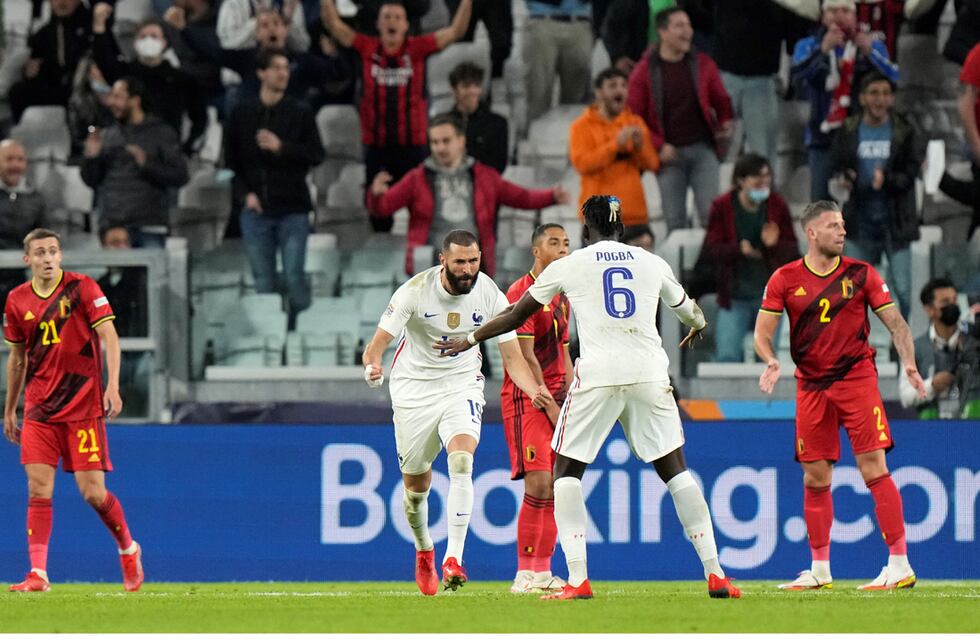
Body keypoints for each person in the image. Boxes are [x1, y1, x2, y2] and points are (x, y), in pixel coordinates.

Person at [436, 195, 741, 601]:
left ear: (585, 230)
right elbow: (688, 310)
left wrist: (469, 338)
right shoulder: (651, 261)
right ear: (623, 228)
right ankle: (716, 573)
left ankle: (578, 578)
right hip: (649, 373)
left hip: (598, 375)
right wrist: (697, 324)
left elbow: (514, 315)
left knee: (565, 473)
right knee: (676, 471)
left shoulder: (570, 265)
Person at [361, 229, 557, 596]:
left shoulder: (489, 293)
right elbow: (377, 345)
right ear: (443, 261)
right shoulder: (414, 292)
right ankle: (424, 550)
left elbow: (512, 357)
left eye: (474, 261)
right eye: (460, 263)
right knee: (416, 490)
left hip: (462, 385)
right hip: (414, 391)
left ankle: (454, 558)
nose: (468, 270)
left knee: (463, 461)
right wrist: (372, 366)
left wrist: (536, 393)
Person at [754, 200, 926, 591]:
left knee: (873, 466)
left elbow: (897, 324)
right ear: (811, 233)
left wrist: (910, 364)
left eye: (843, 225)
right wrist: (770, 360)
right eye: (833, 226)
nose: (842, 231)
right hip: (811, 385)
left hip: (856, 378)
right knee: (815, 475)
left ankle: (899, 563)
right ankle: (820, 569)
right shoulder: (784, 278)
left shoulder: (862, 274)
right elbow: (762, 334)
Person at [3, 228, 143, 593]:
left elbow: (109, 336)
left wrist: (112, 385)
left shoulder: (82, 288)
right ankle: (38, 574)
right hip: (39, 409)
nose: (47, 258)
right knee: (38, 487)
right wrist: (9, 408)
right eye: (40, 253)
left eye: (53, 251)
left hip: (82, 406)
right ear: (27, 260)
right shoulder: (17, 301)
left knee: (93, 493)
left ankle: (128, 548)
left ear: (61, 255)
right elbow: (17, 359)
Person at [320, 0, 473, 231]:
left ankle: (422, 263)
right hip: (377, 149)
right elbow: (333, 24)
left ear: (406, 25)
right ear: (378, 24)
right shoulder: (366, 47)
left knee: (422, 213)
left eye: (397, 17)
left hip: (413, 149)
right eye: (387, 17)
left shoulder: (418, 48)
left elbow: (456, 31)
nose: (392, 21)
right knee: (378, 215)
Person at [367, 113, 568, 277]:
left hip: (474, 266)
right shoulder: (417, 177)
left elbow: (520, 197)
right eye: (435, 142)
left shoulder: (484, 175)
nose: (440, 148)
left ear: (461, 141)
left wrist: (551, 196)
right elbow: (383, 208)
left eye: (446, 141)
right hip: (430, 266)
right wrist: (375, 196)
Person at [225, 48, 325, 323]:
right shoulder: (241, 113)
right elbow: (230, 163)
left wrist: (282, 147)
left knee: (294, 277)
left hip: (293, 208)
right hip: (256, 212)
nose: (284, 73)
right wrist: (245, 195)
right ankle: (271, 335)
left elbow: (316, 155)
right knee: (263, 281)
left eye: (286, 67)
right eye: (277, 67)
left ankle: (300, 335)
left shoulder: (300, 111)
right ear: (261, 73)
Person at [502, 224, 574, 594]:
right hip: (528, 398)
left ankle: (542, 572)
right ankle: (524, 573)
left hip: (559, 398)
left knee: (558, 488)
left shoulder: (562, 295)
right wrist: (548, 403)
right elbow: (526, 358)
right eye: (553, 242)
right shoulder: (521, 294)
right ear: (536, 251)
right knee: (539, 482)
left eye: (566, 243)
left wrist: (575, 393)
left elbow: (563, 349)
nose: (562, 248)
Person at [627, 7, 734, 232]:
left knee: (711, 218)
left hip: (703, 150)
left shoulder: (703, 63)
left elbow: (722, 99)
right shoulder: (643, 70)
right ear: (663, 32)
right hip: (668, 157)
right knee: (675, 222)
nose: (688, 31)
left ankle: (709, 267)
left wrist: (725, 121)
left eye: (689, 25)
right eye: (680, 26)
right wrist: (658, 145)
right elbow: (632, 117)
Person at [830, 71, 922, 318]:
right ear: (861, 98)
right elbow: (836, 164)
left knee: (902, 291)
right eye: (873, 93)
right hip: (859, 222)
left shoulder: (904, 130)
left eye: (885, 93)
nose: (879, 99)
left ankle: (899, 349)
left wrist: (888, 181)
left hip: (896, 222)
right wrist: (845, 178)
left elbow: (912, 171)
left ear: (891, 98)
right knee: (851, 292)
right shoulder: (848, 129)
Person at [791, 0, 899, 201]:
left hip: (862, 137)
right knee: (821, 209)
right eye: (832, 11)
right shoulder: (808, 45)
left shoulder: (872, 46)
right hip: (822, 138)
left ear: (855, 16)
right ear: (823, 16)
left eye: (845, 11)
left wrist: (870, 53)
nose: (839, 16)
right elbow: (798, 77)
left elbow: (893, 79)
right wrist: (822, 50)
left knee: (864, 201)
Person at [702, 153, 799, 363]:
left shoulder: (777, 206)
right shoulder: (723, 207)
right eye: (757, 179)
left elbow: (793, 252)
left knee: (766, 359)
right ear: (741, 181)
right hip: (734, 297)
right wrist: (737, 250)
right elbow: (712, 250)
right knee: (727, 357)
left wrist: (774, 245)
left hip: (768, 299)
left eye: (767, 178)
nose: (764, 184)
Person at [80, 76, 190, 248]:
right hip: (112, 225)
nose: (111, 102)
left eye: (118, 97)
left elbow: (180, 175)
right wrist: (91, 158)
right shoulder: (107, 135)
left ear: (135, 100)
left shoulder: (161, 132)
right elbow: (91, 180)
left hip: (149, 225)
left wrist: (147, 163)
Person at [91, 7, 208, 155]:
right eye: (143, 36)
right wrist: (99, 27)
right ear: (135, 43)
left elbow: (199, 117)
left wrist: (188, 148)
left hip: (165, 149)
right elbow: (105, 62)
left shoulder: (181, 78)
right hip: (128, 146)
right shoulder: (126, 73)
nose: (148, 40)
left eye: (154, 36)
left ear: (164, 43)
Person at [570, 67, 659, 229]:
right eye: (612, 86)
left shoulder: (635, 123)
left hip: (633, 214)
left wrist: (640, 147)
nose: (620, 90)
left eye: (624, 85)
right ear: (598, 92)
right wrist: (615, 146)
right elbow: (582, 164)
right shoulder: (580, 126)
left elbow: (652, 164)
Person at [901, 277, 980, 418]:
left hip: (972, 425)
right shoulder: (914, 348)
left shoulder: (974, 343)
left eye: (954, 300)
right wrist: (931, 386)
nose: (953, 305)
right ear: (929, 309)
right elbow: (906, 397)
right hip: (933, 426)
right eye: (945, 302)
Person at [8, 0, 92, 123]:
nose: (61, 2)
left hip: (83, 90)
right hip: (55, 89)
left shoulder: (92, 28)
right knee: (18, 92)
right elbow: (35, 67)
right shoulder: (44, 33)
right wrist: (29, 71)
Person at [524, 0, 593, 126]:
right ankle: (535, 142)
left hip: (580, 21)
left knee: (577, 97)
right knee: (538, 95)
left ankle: (573, 143)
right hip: (542, 20)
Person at [0, 140, 48, 307]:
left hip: (21, 276)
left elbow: (43, 239)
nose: (15, 165)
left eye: (20, 159)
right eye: (9, 159)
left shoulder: (36, 199)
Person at [448, 62, 508, 174]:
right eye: (466, 86)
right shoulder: (442, 124)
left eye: (476, 85)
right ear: (454, 90)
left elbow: (498, 166)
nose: (472, 91)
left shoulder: (497, 123)